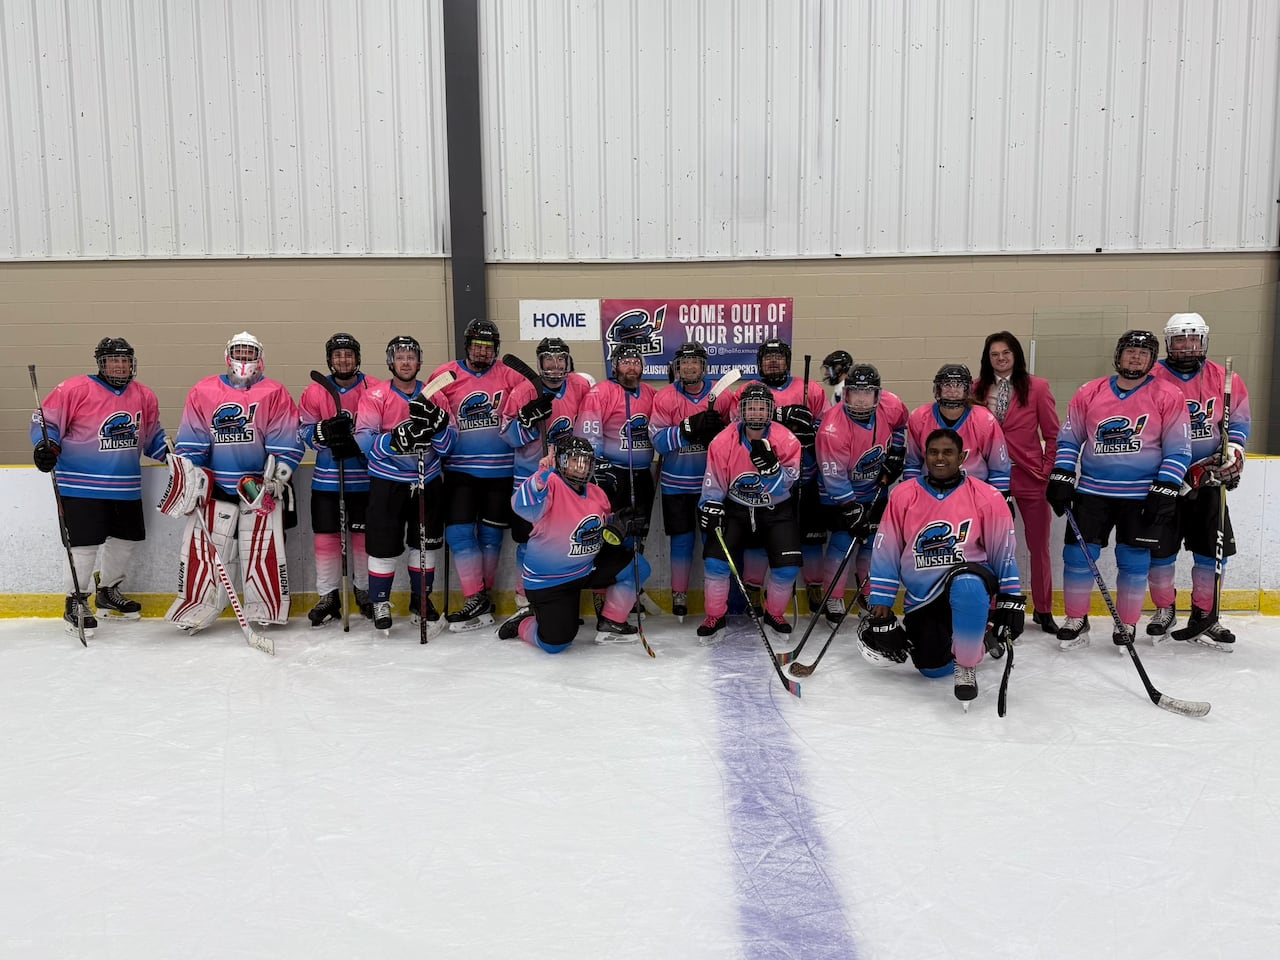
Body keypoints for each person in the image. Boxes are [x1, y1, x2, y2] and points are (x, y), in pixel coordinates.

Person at [1047, 330, 1192, 648]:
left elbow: (1179, 449)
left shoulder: (1168, 395)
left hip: (1140, 495)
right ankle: (1077, 619)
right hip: (1092, 491)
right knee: (1077, 555)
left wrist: (1166, 486)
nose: (1136, 357)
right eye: (1130, 351)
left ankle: (1126, 624)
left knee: (1134, 560)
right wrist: (1061, 473)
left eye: (1144, 353)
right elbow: (1071, 438)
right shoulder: (1090, 391)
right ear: (1118, 355)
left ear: (1153, 360)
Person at [863, 428, 1024, 706]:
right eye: (933, 452)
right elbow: (886, 550)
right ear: (924, 456)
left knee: (967, 585)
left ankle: (966, 663)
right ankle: (981, 641)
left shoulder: (986, 496)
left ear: (962, 456)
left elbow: (1003, 551)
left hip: (970, 580)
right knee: (932, 669)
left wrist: (1010, 600)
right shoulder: (903, 495)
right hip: (923, 596)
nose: (940, 458)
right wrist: (882, 600)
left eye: (948, 452)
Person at [161, 332, 302, 631]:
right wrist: (191, 473)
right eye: (239, 353)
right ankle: (196, 605)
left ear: (260, 358)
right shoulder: (204, 390)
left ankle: (266, 606)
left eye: (250, 353)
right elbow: (193, 439)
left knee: (263, 549)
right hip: (217, 486)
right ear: (228, 356)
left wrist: (279, 475)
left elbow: (286, 439)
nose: (244, 359)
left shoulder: (274, 392)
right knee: (205, 550)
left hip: (257, 486)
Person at [30, 338, 168, 635]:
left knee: (126, 541)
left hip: (126, 485)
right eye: (112, 360)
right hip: (80, 486)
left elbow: (152, 436)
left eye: (125, 359)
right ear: (100, 363)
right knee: (83, 546)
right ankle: (76, 601)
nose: (120, 365)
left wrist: (173, 454)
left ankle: (107, 591)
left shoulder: (144, 395)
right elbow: (48, 424)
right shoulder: (75, 389)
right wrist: (45, 445)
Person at [1146, 313, 1250, 645]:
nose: (1188, 347)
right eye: (1180, 340)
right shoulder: (1152, 377)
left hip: (1208, 479)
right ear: (1168, 343)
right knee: (1160, 553)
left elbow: (1238, 424)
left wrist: (1233, 452)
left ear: (1203, 341)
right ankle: (1165, 608)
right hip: (1163, 480)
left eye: (1193, 339)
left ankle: (1206, 613)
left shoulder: (1224, 377)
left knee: (1210, 552)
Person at [497, 438, 651, 651]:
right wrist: (540, 478)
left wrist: (622, 523)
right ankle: (524, 622)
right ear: (561, 461)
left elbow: (598, 529)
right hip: (550, 581)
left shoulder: (597, 493)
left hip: (585, 569)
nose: (581, 466)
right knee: (556, 643)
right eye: (574, 460)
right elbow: (522, 506)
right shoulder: (551, 485)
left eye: (586, 462)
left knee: (637, 566)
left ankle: (611, 622)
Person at [716, 339, 828, 613]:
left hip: (805, 476)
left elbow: (826, 427)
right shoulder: (747, 391)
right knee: (758, 542)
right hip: (762, 484)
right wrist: (780, 413)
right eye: (768, 357)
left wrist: (810, 434)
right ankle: (754, 590)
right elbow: (735, 425)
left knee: (810, 538)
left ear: (787, 360)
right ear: (759, 362)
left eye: (779, 356)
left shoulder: (809, 389)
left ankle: (814, 587)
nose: (774, 361)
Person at [427, 319, 525, 631]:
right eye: (477, 346)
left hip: (501, 470)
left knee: (491, 537)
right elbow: (424, 405)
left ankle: (482, 600)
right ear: (467, 345)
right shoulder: (444, 375)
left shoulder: (510, 374)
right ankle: (476, 596)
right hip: (459, 471)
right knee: (458, 534)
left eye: (488, 347)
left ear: (496, 348)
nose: (482, 352)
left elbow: (533, 394)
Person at [355, 335, 456, 635]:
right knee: (383, 546)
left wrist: (436, 430)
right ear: (391, 362)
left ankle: (420, 600)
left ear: (419, 362)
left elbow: (450, 444)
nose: (406, 362)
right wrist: (394, 441)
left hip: (428, 479)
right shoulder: (375, 396)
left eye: (411, 357)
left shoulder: (436, 395)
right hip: (388, 482)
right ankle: (380, 602)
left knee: (425, 544)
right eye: (400, 357)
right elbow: (364, 441)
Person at [697, 383, 804, 640]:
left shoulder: (787, 439)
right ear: (741, 411)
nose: (756, 413)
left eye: (761, 408)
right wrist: (710, 505)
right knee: (715, 563)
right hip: (736, 509)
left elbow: (791, 480)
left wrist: (774, 473)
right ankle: (715, 615)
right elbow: (713, 482)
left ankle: (774, 613)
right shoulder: (723, 441)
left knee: (788, 568)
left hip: (775, 509)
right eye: (751, 407)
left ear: (770, 411)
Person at [972, 332, 1060, 633]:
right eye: (994, 354)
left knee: (1039, 547)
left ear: (1016, 355)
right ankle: (993, 607)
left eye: (1006, 353)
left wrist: (1047, 469)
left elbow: (1053, 434)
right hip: (990, 479)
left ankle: (1044, 610)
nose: (1000, 358)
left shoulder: (1037, 387)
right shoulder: (977, 389)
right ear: (988, 358)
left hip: (1030, 477)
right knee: (991, 547)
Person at [499, 337, 592, 612]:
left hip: (567, 482)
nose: (555, 364)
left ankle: (558, 598)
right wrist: (526, 422)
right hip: (531, 480)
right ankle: (523, 598)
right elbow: (507, 437)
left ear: (568, 361)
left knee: (562, 541)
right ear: (539, 363)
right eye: (548, 359)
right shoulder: (522, 392)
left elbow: (588, 427)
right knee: (529, 542)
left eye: (560, 358)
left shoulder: (580, 386)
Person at [813, 363, 908, 624]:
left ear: (878, 395)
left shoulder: (892, 405)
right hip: (838, 493)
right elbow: (834, 476)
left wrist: (896, 452)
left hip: (875, 487)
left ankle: (867, 592)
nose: (862, 399)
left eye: (867, 393)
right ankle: (833, 595)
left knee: (871, 543)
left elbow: (901, 427)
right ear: (846, 394)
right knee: (843, 541)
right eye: (856, 393)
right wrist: (851, 508)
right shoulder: (832, 428)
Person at [298, 333, 382, 626]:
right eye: (337, 355)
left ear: (357, 358)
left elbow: (383, 426)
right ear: (329, 359)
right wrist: (321, 433)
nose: (343, 360)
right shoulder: (315, 391)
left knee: (361, 539)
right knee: (326, 539)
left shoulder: (375, 388)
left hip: (364, 479)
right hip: (326, 480)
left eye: (348, 354)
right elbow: (303, 431)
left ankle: (363, 591)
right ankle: (329, 596)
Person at [576, 341, 658, 615]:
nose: (632, 367)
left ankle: (626, 590)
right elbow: (588, 434)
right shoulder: (601, 392)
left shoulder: (650, 393)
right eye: (626, 362)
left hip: (642, 476)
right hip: (611, 476)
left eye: (636, 362)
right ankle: (602, 592)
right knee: (607, 535)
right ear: (615, 366)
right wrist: (598, 468)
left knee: (635, 534)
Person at [650, 342, 724, 620]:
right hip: (675, 484)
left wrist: (721, 432)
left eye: (695, 362)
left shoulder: (720, 396)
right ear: (677, 367)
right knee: (681, 542)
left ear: (704, 367)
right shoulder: (665, 397)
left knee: (712, 541)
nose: (689, 367)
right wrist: (687, 430)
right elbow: (658, 440)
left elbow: (734, 438)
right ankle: (679, 592)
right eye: (685, 362)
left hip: (712, 486)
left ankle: (714, 598)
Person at [904, 364, 1012, 506]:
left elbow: (998, 467)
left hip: (975, 497)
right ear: (938, 389)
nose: (953, 391)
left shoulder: (984, 420)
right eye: (947, 385)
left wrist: (1000, 499)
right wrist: (911, 495)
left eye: (958, 386)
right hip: (930, 494)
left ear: (966, 390)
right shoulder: (919, 418)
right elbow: (913, 463)